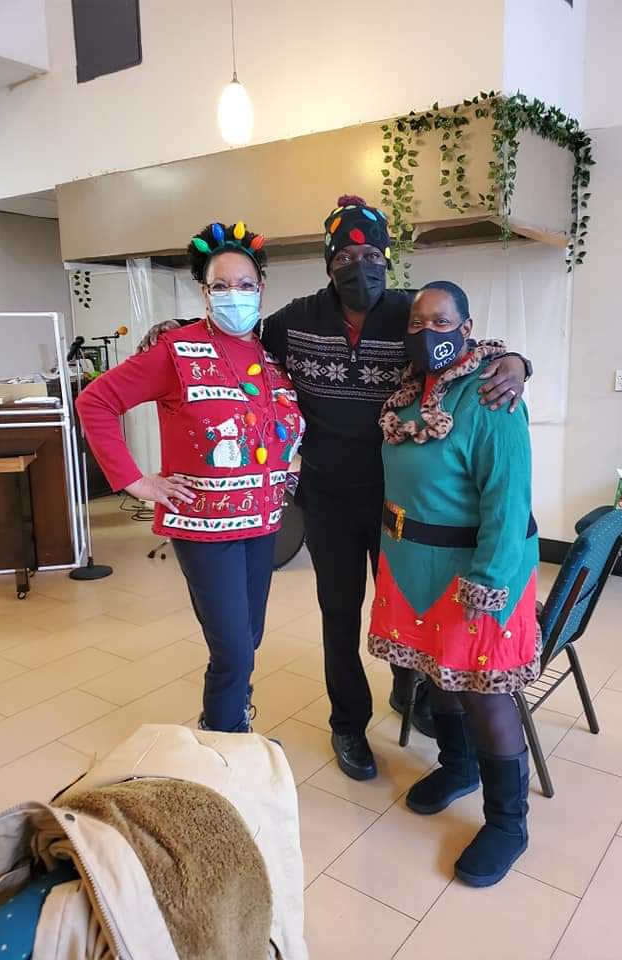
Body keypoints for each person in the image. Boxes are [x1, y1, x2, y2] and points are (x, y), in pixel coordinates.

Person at [138, 196, 532, 781]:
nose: (360, 264)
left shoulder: (407, 314)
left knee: (411, 605)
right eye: (346, 254)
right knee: (338, 613)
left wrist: (522, 362)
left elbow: (467, 352)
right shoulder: (295, 320)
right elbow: (235, 342)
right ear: (328, 262)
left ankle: (417, 693)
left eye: (372, 253)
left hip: (399, 503)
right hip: (324, 497)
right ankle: (348, 723)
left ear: (387, 259)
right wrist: (176, 333)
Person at [77, 221, 304, 733]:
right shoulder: (175, 351)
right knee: (233, 650)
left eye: (245, 285)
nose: (234, 295)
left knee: (249, 639)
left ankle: (231, 717)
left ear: (261, 288)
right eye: (220, 285)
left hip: (263, 523)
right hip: (204, 528)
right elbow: (95, 402)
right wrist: (136, 481)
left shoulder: (272, 358)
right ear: (204, 291)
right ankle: (224, 743)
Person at [369, 281, 539, 887]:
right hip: (412, 565)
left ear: (467, 328)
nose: (426, 333)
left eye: (440, 321)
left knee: (483, 693)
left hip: (477, 572)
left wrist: (489, 581)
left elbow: (509, 503)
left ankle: (508, 823)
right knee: (431, 671)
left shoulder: (494, 395)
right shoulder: (407, 395)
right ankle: (457, 765)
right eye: (416, 324)